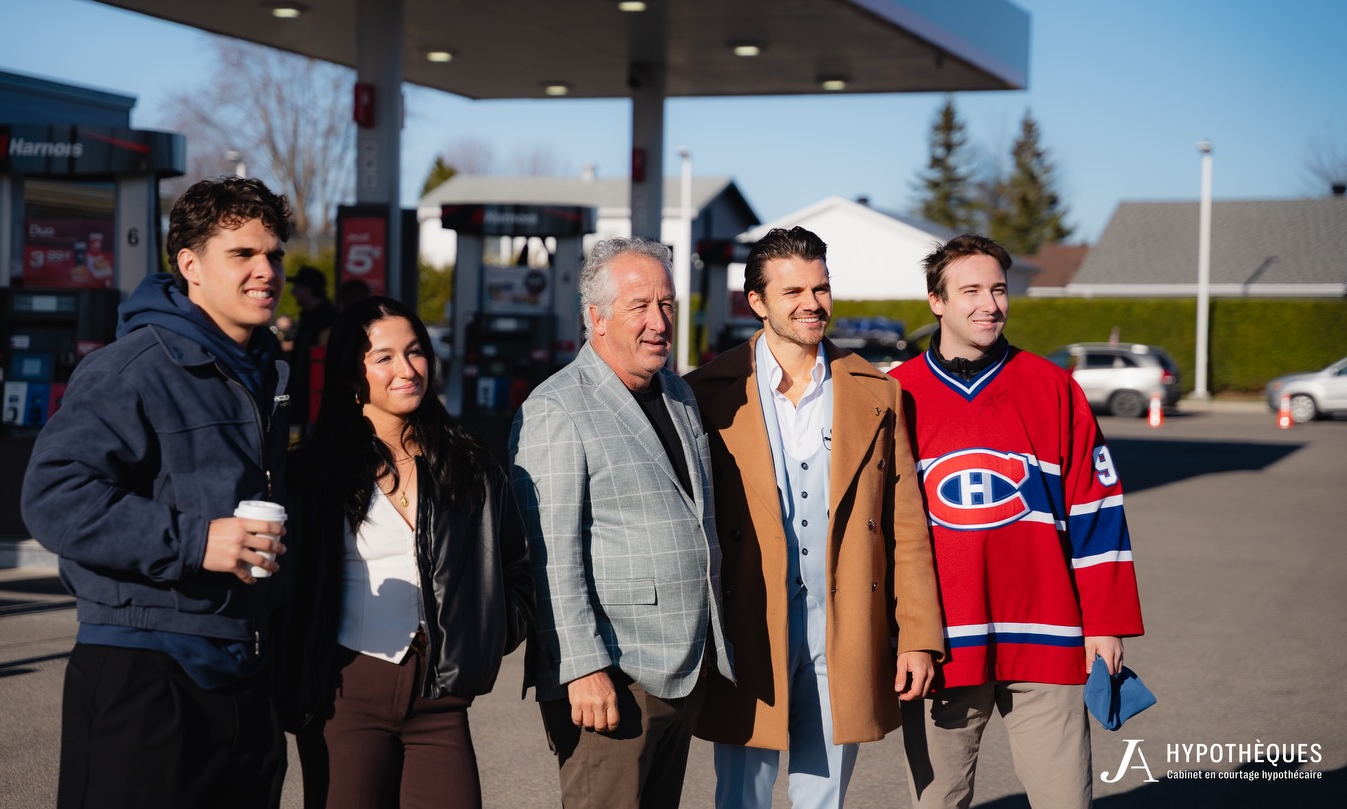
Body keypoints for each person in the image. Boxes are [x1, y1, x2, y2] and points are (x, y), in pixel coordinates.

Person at [20, 176, 294, 809]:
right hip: (144, 669)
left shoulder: (261, 371)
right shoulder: (132, 367)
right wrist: (196, 540)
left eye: (274, 254)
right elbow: (53, 495)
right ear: (190, 266)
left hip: (243, 669)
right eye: (243, 254)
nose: (266, 270)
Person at [685, 226, 943, 809]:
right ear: (757, 302)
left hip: (846, 627)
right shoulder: (704, 393)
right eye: (793, 291)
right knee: (740, 797)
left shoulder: (876, 391)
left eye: (821, 288)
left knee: (823, 799)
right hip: (749, 624)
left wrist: (919, 637)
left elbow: (907, 524)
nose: (812, 304)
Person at [889, 234, 1144, 809]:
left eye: (999, 289)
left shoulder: (1053, 387)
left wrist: (1105, 623)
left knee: (1064, 800)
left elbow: (1097, 508)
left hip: (1050, 635)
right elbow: (881, 533)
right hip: (943, 645)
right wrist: (902, 635)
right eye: (971, 290)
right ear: (936, 301)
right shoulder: (895, 393)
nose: (989, 304)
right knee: (938, 802)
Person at [276, 296, 535, 809]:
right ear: (354, 375)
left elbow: (516, 564)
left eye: (415, 352)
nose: (407, 369)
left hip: (441, 698)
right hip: (344, 693)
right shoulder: (312, 474)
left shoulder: (469, 461)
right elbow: (289, 586)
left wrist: (486, 634)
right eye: (385, 357)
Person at [509, 236, 734, 809]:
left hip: (681, 666)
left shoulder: (678, 394)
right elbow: (548, 555)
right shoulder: (556, 409)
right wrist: (582, 668)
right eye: (640, 306)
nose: (659, 321)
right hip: (611, 676)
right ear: (597, 318)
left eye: (666, 304)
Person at [288, 265, 337, 433]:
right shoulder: (310, 317)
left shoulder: (329, 320)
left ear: (307, 288)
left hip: (320, 406)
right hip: (307, 404)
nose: (292, 293)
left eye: (296, 287)